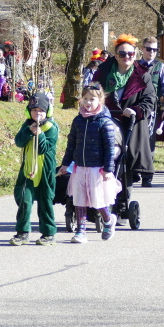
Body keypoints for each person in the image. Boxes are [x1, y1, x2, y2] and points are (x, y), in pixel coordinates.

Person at [93, 34, 157, 223]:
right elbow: (91, 92)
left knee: (124, 166)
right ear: (116, 54)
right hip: (106, 123)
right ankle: (96, 203)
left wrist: (136, 110)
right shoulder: (103, 72)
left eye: (130, 53)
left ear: (136, 53)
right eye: (122, 54)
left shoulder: (142, 74)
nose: (126, 57)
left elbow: (150, 100)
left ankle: (121, 207)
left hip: (131, 125)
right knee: (102, 163)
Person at [58, 83, 121, 243]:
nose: (87, 102)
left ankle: (108, 220)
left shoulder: (104, 122)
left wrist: (108, 169)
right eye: (85, 98)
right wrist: (65, 164)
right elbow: (71, 144)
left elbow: (109, 148)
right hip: (79, 167)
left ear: (99, 100)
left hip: (97, 168)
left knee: (97, 200)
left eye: (92, 99)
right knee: (79, 199)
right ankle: (81, 231)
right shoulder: (78, 121)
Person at [10, 91, 59, 246]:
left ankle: (48, 233)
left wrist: (39, 134)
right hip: (27, 170)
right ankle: (22, 232)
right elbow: (18, 142)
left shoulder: (51, 127)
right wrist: (28, 131)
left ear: (48, 111)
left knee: (45, 202)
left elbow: (43, 148)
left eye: (41, 111)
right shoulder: (26, 125)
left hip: (45, 171)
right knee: (24, 200)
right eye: (34, 110)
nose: (38, 113)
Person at [138, 36, 164, 187]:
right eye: (148, 49)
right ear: (142, 49)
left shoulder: (161, 67)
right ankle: (134, 171)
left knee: (149, 142)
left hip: (152, 110)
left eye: (155, 49)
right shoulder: (134, 65)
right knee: (134, 141)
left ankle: (147, 175)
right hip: (135, 109)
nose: (151, 52)